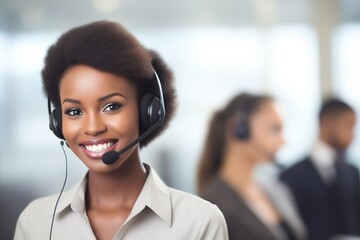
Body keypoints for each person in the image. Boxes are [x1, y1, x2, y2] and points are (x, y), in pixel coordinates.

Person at [14, 20, 228, 240]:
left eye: (112, 106)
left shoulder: (199, 222)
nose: (93, 127)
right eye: (74, 111)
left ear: (147, 112)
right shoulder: (35, 222)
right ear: (57, 122)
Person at [197, 93, 307, 240]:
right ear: (239, 131)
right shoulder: (212, 204)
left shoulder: (277, 190)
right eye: (275, 129)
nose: (284, 141)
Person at [280, 98, 360, 240]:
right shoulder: (290, 177)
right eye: (349, 126)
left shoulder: (352, 172)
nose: (353, 134)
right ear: (327, 123)